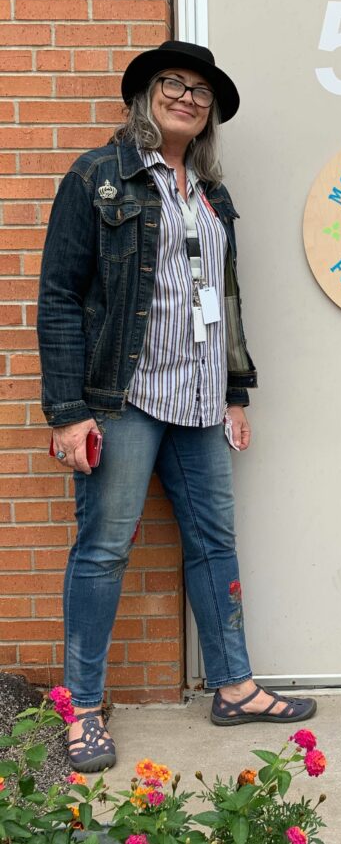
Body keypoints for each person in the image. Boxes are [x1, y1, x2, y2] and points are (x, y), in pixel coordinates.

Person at [37, 40, 316, 773]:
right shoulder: (99, 177)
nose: (188, 97)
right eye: (174, 84)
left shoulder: (210, 194)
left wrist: (234, 390)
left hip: (198, 403)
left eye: (202, 91)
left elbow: (222, 299)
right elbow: (60, 297)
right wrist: (68, 411)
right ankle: (84, 708)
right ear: (145, 95)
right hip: (122, 399)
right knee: (103, 549)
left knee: (215, 543)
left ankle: (234, 684)